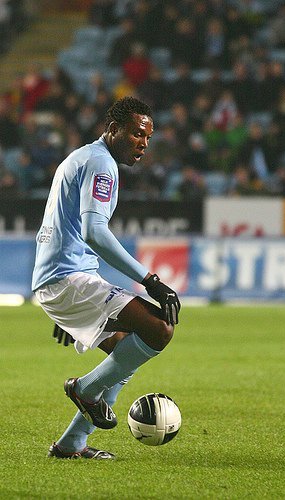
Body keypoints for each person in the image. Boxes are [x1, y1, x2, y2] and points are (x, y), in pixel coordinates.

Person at [31, 96, 181, 460]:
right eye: (135, 134)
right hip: (67, 278)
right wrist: (150, 280)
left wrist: (68, 311)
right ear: (113, 130)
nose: (142, 143)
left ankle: (71, 445)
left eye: (147, 137)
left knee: (125, 353)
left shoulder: (83, 157)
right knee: (159, 327)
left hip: (61, 278)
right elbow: (94, 232)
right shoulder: (102, 164)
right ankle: (84, 389)